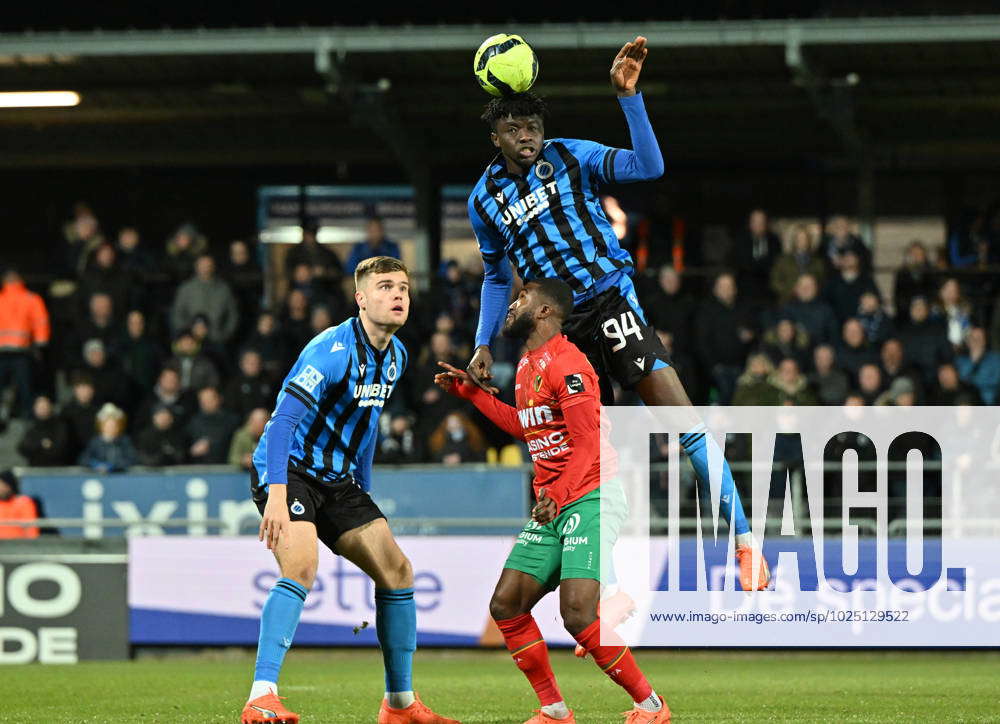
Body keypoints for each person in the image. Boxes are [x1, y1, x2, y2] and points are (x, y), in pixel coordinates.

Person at [465, 37, 767, 588]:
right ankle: (597, 590)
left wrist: (629, 98)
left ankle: (747, 542)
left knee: (683, 423)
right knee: (573, 458)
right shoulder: (483, 198)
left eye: (531, 125)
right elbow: (492, 276)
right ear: (496, 137)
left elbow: (649, 167)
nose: (525, 135)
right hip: (557, 332)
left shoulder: (571, 155)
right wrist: (484, 342)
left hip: (610, 303)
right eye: (513, 129)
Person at [436, 277, 672, 723]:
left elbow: (586, 443)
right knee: (506, 604)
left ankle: (651, 705)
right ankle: (554, 709)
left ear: (544, 311)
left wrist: (558, 496)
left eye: (522, 298)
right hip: (555, 501)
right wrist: (470, 393)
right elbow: (528, 426)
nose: (511, 304)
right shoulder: (528, 365)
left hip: (590, 495)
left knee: (578, 614)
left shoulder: (570, 364)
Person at [242, 257, 457, 724]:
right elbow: (281, 425)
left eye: (403, 287)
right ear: (361, 299)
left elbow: (367, 423)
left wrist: (367, 494)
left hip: (339, 480)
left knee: (398, 571)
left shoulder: (397, 356)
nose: (398, 295)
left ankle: (399, 704)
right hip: (290, 470)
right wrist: (276, 496)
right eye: (385, 287)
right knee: (301, 565)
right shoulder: (331, 350)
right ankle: (261, 696)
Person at [0, 268, 50, 419]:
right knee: (25, 388)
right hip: (22, 351)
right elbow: (41, 323)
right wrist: (41, 345)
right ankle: (27, 415)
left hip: (4, 353)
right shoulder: (31, 299)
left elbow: (40, 322)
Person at [171, 254, 240, 344]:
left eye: (208, 265)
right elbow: (177, 313)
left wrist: (224, 334)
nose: (205, 268)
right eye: (202, 265)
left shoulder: (224, 289)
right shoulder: (186, 289)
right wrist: (186, 332)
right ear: (196, 267)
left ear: (214, 267)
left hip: (217, 339)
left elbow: (233, 315)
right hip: (190, 340)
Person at [732, 208, 781, 303]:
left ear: (766, 223)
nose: (758, 224)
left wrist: (758, 265)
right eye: (755, 221)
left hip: (768, 289)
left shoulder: (774, 240)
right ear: (750, 223)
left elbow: (775, 263)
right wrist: (760, 265)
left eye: (761, 221)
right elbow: (742, 263)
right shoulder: (741, 240)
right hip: (745, 290)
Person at [770, 225, 825, 303]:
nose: (802, 241)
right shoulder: (783, 260)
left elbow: (822, 282)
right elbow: (774, 282)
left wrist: (811, 291)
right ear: (794, 240)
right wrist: (791, 290)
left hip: (812, 303)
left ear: (809, 240)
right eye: (798, 238)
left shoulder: (817, 261)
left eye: (804, 238)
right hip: (788, 302)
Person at [187, 386, 240, 464]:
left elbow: (231, 444)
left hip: (225, 467)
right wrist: (192, 450)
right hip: (198, 468)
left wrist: (211, 445)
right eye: (203, 401)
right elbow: (187, 445)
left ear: (218, 399)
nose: (205, 403)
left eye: (209, 400)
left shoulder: (231, 421)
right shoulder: (194, 421)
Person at [78, 403, 137, 473]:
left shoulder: (124, 441)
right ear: (102, 426)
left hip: (120, 477)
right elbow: (83, 459)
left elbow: (132, 459)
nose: (111, 428)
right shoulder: (95, 442)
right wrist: (95, 464)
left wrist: (114, 466)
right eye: (108, 425)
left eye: (113, 425)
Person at [17, 395, 70, 467]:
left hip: (57, 469)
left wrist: (36, 445)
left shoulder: (59, 426)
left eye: (45, 407)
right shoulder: (32, 427)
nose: (42, 409)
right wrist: (41, 443)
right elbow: (22, 448)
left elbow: (59, 450)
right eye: (40, 407)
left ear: (50, 407)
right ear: (34, 409)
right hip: (35, 469)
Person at [956, 327, 1000, 405]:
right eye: (973, 338)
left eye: (979, 338)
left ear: (985, 341)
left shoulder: (995, 359)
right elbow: (958, 381)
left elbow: (995, 381)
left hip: (987, 401)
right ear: (967, 341)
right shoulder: (960, 361)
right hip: (965, 402)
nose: (976, 341)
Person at [0, 470, 39, 539]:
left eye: (4, 485)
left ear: (11, 486)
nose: (1, 489)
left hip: (18, 547)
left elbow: (31, 531)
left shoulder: (23, 502)